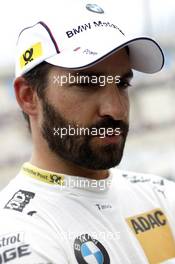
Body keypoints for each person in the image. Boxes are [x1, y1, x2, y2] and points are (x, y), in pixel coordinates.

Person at [0, 0, 175, 263]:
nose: (115, 109)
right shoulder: (19, 232)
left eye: (122, 83)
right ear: (28, 97)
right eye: (86, 83)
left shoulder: (161, 196)